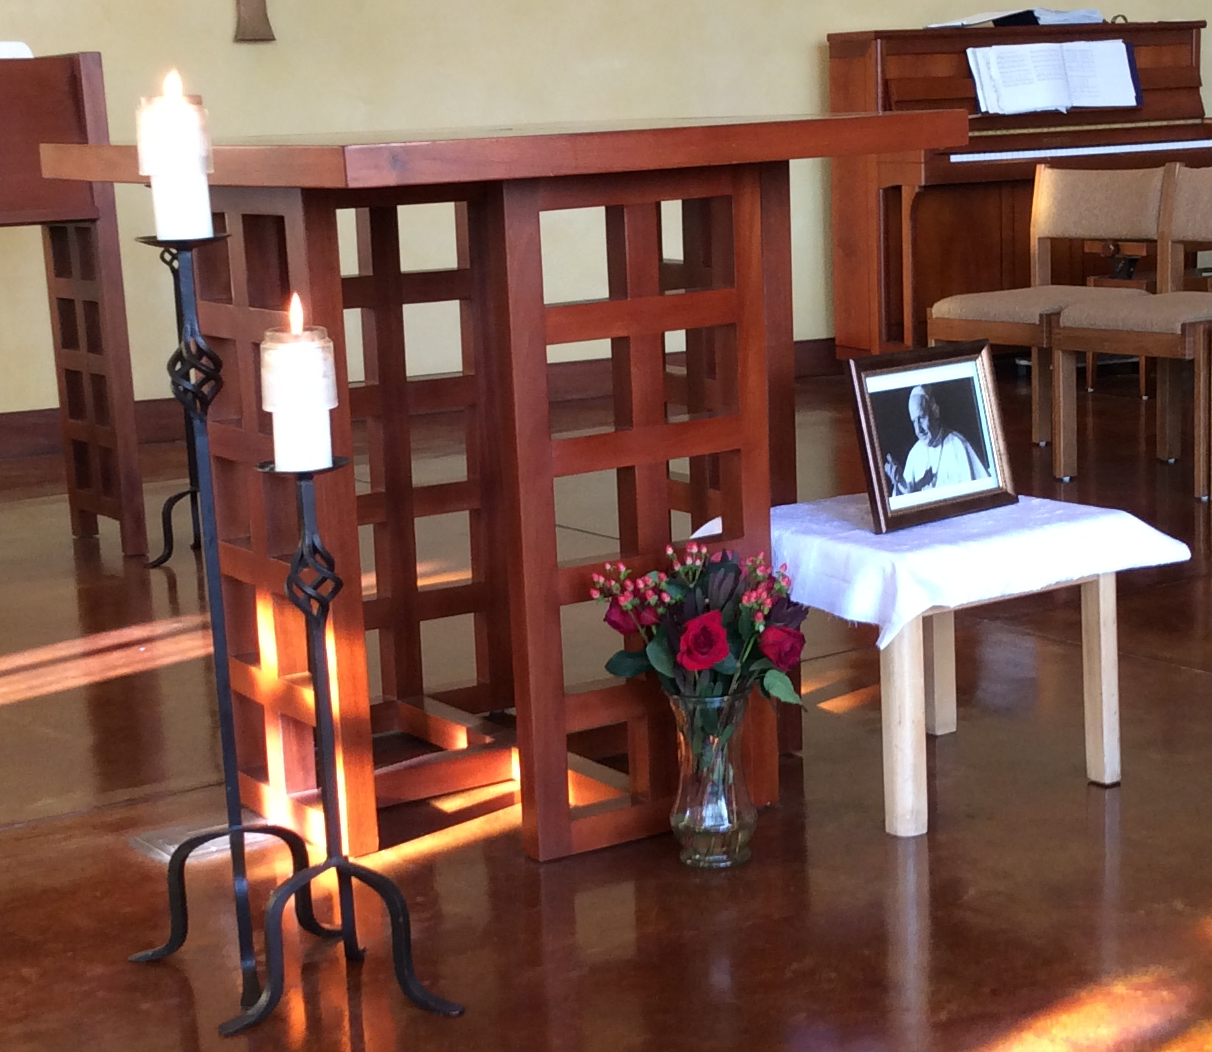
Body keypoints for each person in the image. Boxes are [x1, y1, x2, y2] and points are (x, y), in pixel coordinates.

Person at [884, 385, 989, 495]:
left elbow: (982, 495)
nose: (918, 429)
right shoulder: (915, 454)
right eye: (914, 421)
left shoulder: (959, 446)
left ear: (935, 412)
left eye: (922, 418)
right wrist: (900, 482)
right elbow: (907, 498)